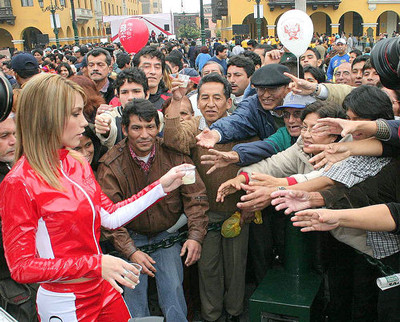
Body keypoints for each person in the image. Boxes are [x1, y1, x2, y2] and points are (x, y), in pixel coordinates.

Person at [0, 73, 188, 321]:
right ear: (48, 117)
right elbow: (21, 267)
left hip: (103, 288)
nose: (84, 123)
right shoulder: (18, 182)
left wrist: (161, 187)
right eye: (76, 114)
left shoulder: (75, 162)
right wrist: (96, 263)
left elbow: (109, 216)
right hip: (65, 302)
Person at [97, 99, 209, 321]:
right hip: (130, 237)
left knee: (174, 289)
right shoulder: (110, 165)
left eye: (150, 127)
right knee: (133, 292)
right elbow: (108, 217)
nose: (144, 134)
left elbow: (196, 198)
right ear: (124, 129)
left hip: (166, 234)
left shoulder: (175, 155)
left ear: (158, 128)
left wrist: (196, 236)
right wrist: (130, 251)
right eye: (137, 128)